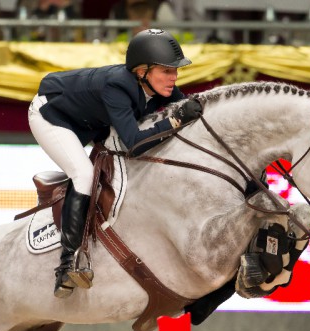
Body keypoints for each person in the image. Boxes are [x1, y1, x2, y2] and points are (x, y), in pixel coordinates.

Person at [28, 29, 202, 298]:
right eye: (166, 71)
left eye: (174, 71)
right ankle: (68, 263)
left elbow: (189, 105)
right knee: (84, 175)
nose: (174, 77)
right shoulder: (117, 86)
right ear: (142, 71)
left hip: (90, 120)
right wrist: (176, 121)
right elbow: (134, 143)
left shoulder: (158, 86)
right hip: (52, 116)